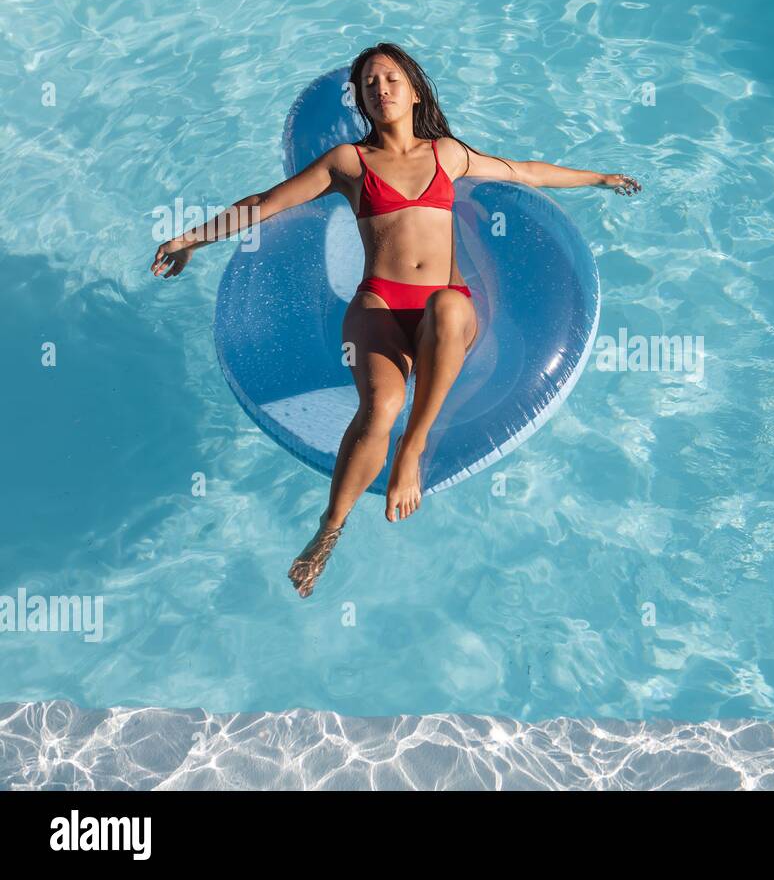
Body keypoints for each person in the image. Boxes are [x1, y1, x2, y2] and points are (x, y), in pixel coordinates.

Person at [151, 42, 641, 597]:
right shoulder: (348, 163)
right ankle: (327, 529)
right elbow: (267, 203)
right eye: (368, 84)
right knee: (379, 404)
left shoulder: (447, 155)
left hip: (443, 307)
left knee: (449, 304)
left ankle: (412, 448)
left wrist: (600, 178)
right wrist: (192, 239)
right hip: (379, 304)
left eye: (390, 79)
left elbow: (525, 171)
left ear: (413, 90)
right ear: (360, 100)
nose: (380, 89)